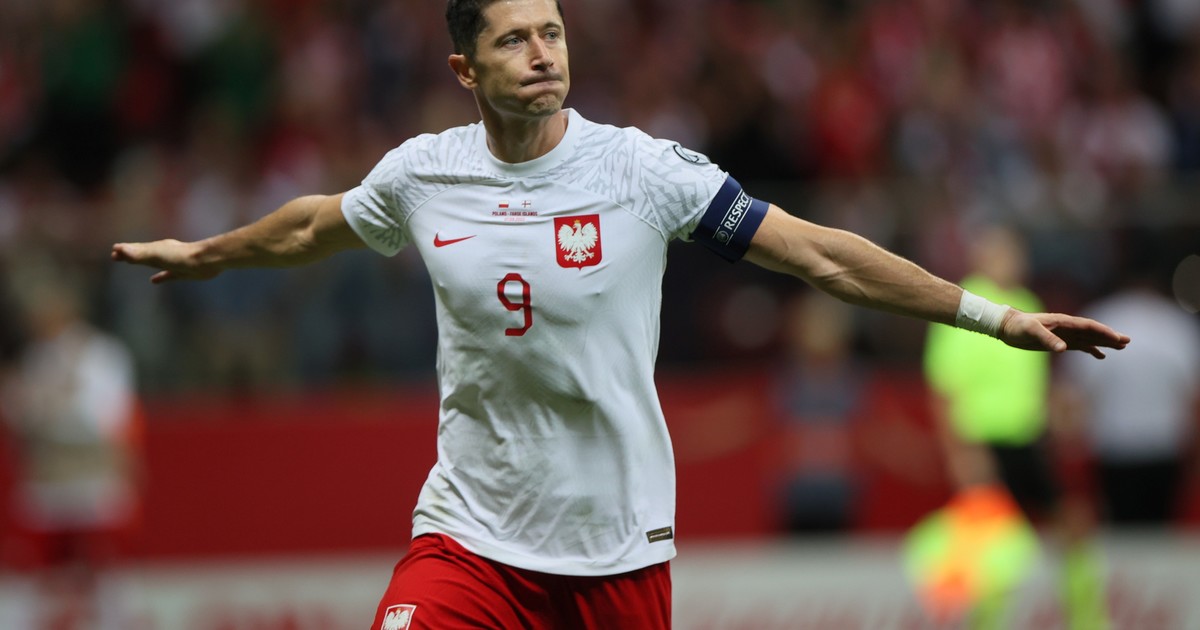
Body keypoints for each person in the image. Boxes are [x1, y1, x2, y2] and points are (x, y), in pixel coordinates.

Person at [110, 1, 1129, 628]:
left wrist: (994, 319)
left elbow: (818, 252)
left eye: (552, 32)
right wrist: (205, 253)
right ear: (466, 70)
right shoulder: (424, 172)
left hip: (615, 547)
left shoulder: (642, 171)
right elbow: (313, 225)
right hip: (468, 534)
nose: (542, 53)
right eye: (513, 39)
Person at [923, 226, 1108, 630]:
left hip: (1028, 439)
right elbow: (944, 390)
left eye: (1014, 254)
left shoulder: (1028, 304)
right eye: (1000, 254)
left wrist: (1057, 413)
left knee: (1073, 526)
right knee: (994, 546)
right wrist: (961, 453)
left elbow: (1036, 381)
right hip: (984, 442)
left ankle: (1087, 620)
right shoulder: (962, 307)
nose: (1011, 262)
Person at [0, 256, 142, 629]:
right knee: (37, 562)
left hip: (93, 466)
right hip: (49, 469)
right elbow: (23, 415)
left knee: (103, 561)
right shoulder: (35, 357)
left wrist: (53, 406)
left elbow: (107, 417)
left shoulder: (102, 354)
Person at [1060, 243, 1200, 527]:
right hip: (1164, 445)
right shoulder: (1176, 324)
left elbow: (1075, 395)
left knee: (1120, 531)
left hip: (1114, 446)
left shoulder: (1101, 317)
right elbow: (1192, 395)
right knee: (1158, 530)